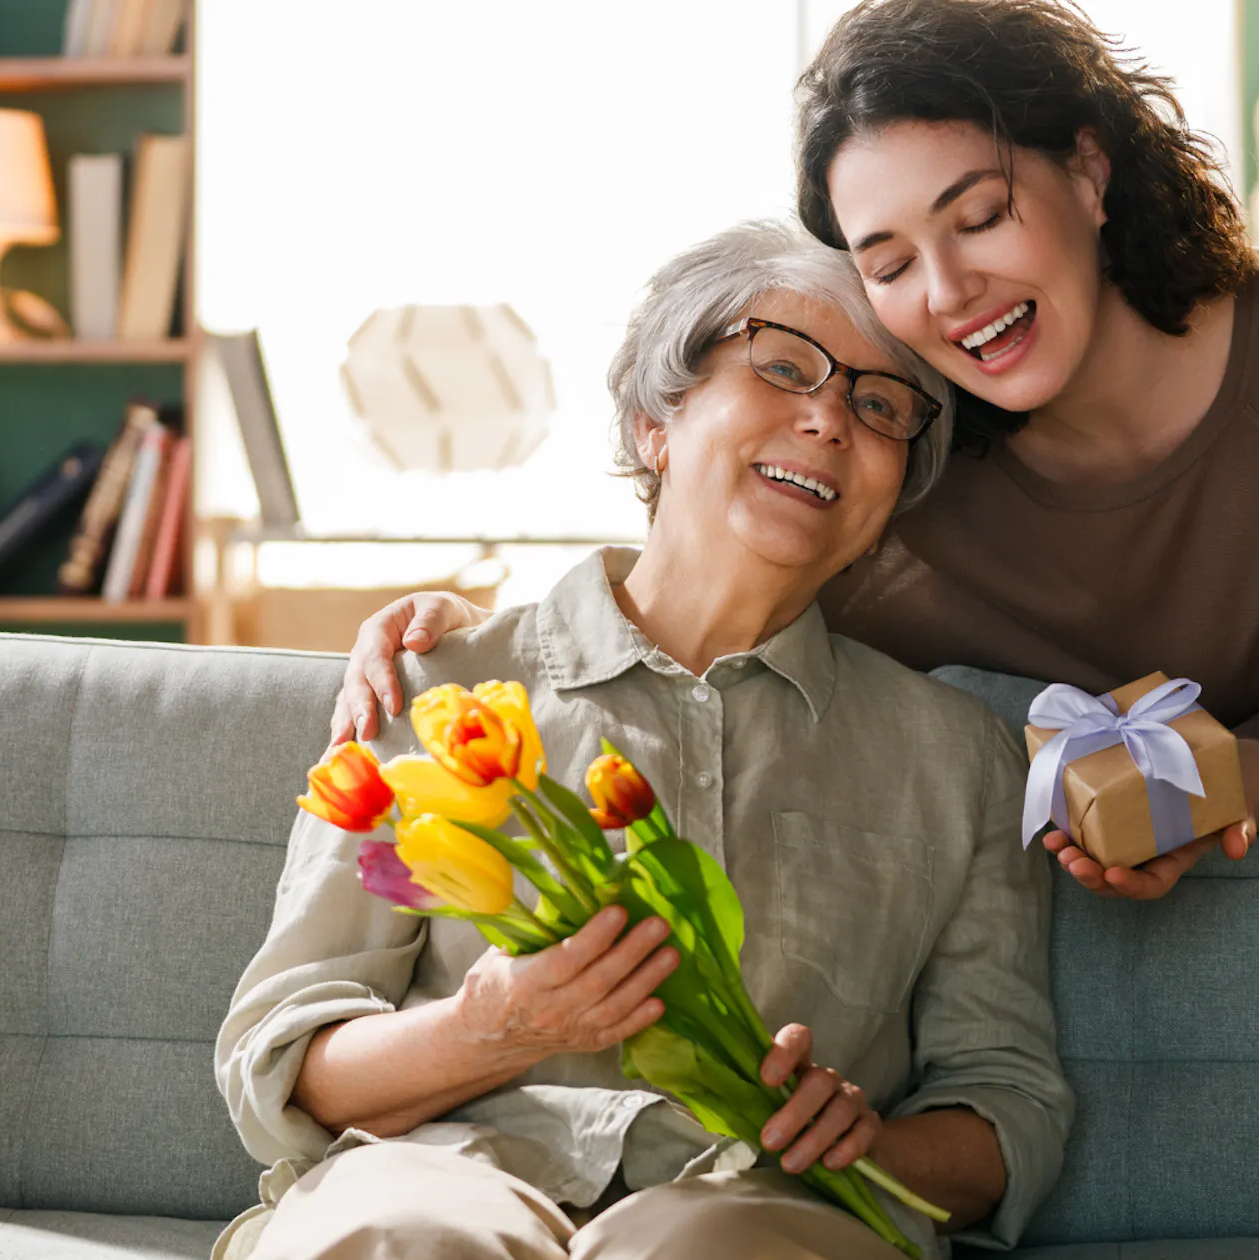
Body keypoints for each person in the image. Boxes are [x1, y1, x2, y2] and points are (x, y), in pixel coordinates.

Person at [327, 0, 1259, 904]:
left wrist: (1197, 795)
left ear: (1089, 167)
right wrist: (469, 640)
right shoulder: (895, 442)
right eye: (888, 261)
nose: (949, 293)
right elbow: (701, 600)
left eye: (978, 217)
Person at [215, 220, 1071, 1260]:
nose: (830, 418)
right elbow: (284, 1056)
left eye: (880, 405)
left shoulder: (959, 758)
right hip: (440, 1171)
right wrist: (489, 1030)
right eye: (785, 366)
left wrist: (875, 1144)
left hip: (762, 1204)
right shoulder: (437, 687)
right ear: (653, 425)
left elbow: (1010, 1105)